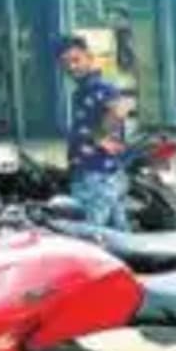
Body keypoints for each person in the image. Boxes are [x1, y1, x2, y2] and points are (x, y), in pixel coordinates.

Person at [57, 35, 133, 230]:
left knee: (90, 234)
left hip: (95, 172)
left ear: (89, 58)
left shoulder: (99, 87)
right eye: (65, 62)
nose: (71, 67)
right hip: (99, 171)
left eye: (76, 60)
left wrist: (99, 136)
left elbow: (121, 108)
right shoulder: (81, 91)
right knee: (118, 234)